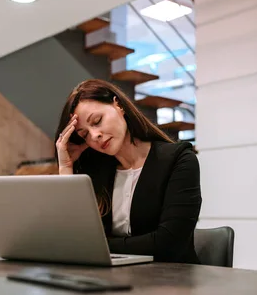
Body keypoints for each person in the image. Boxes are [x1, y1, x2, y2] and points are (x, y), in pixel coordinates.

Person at [55, 79, 202, 263]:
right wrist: (66, 167)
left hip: (172, 282)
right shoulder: (98, 173)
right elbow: (72, 239)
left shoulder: (179, 160)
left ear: (119, 105)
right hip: (112, 280)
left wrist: (99, 245)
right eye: (84, 134)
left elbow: (168, 244)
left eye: (97, 121)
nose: (95, 135)